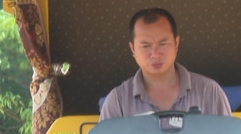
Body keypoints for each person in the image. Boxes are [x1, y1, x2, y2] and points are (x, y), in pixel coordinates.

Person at [99, 8, 232, 120]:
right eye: (145, 46)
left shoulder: (210, 92)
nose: (155, 54)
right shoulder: (118, 101)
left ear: (176, 43)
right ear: (133, 49)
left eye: (163, 44)